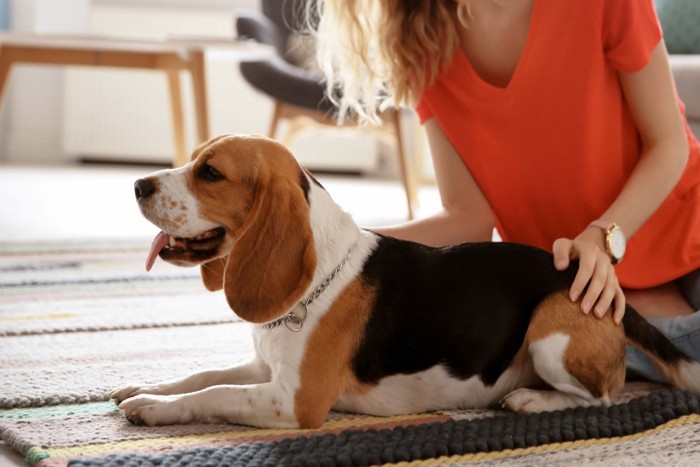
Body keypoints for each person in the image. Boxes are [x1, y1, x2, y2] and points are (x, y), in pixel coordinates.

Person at [311, 0, 700, 382]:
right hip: (575, 288)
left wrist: (602, 239)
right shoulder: (420, 45)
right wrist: (340, 245)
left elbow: (669, 145)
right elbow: (467, 219)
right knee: (558, 347)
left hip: (685, 229)